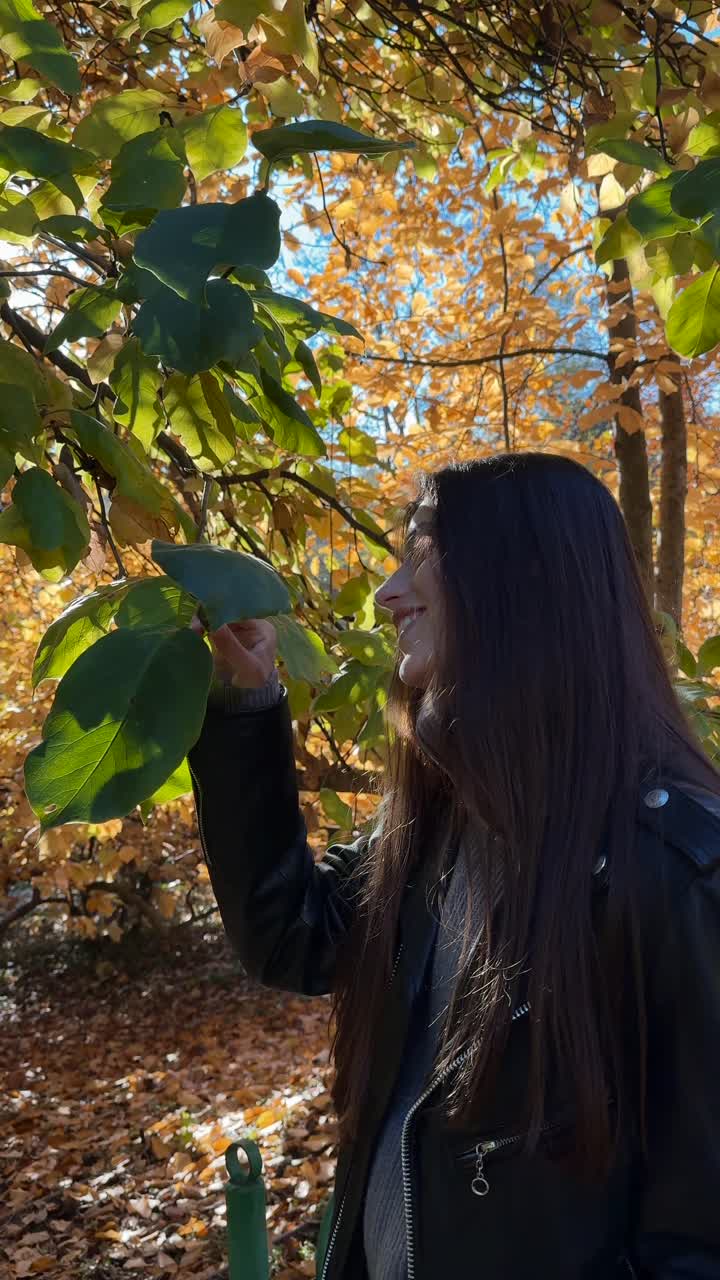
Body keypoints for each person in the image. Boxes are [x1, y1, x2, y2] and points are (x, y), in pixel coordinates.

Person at [188, 453, 720, 1280]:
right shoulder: (446, 825)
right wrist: (245, 701)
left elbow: (700, 1240)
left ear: (525, 577)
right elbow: (289, 935)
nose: (387, 594)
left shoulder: (680, 870)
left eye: (422, 550)